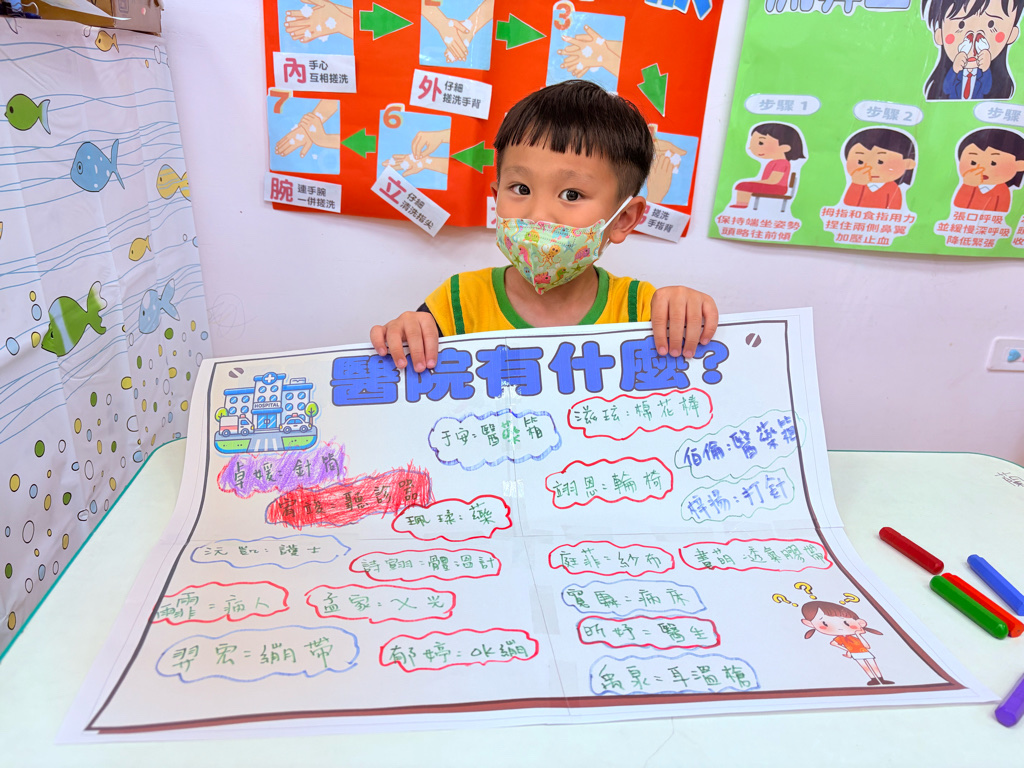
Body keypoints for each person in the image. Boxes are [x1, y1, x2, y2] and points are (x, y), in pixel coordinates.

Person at [370, 80, 718, 372]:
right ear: (496, 198)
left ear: (624, 219)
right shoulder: (458, 302)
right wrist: (405, 335)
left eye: (571, 194)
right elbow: (409, 370)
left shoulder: (642, 310)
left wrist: (687, 312)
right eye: (520, 189)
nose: (538, 214)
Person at [922, 0, 1023, 101]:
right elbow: (944, 91)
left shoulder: (1002, 84)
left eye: (991, 24)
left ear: (1012, 34)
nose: (974, 37)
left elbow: (993, 93)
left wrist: (985, 71)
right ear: (939, 35)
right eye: (961, 25)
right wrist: (955, 70)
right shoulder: (943, 80)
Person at [801, 600, 894, 686]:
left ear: (860, 623)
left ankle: (880, 679)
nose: (839, 627)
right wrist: (847, 650)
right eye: (825, 623)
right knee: (864, 666)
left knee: (873, 665)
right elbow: (833, 643)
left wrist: (859, 635)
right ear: (809, 624)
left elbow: (867, 646)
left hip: (864, 651)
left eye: (846, 623)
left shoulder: (854, 637)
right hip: (855, 653)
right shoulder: (840, 638)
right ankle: (873, 679)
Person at [729, 122, 805, 209]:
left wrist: (754, 182)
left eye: (760, 143)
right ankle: (742, 204)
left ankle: (742, 204)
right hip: (771, 185)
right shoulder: (772, 162)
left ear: (784, 147)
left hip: (778, 188)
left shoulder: (782, 163)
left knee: (743, 185)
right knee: (743, 185)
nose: (750, 147)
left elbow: (773, 180)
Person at [841, 128, 917, 210]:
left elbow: (895, 210)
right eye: (860, 161)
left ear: (907, 164)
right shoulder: (857, 185)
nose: (869, 167)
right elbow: (848, 205)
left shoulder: (892, 188)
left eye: (880, 162)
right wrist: (857, 185)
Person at [952, 127, 1024, 212]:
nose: (981, 168)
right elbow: (958, 206)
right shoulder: (966, 185)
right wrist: (968, 185)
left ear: (1019, 165)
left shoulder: (1002, 190)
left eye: (993, 163)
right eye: (973, 162)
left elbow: (1001, 212)